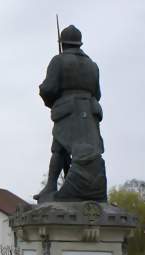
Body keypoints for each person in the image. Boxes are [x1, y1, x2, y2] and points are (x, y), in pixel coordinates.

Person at [34, 25, 107, 203]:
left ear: (63, 43)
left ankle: (51, 186)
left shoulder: (58, 61)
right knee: (83, 148)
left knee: (58, 148)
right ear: (79, 43)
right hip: (89, 112)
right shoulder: (93, 65)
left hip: (68, 111)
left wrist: (45, 93)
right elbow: (97, 93)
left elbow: (49, 88)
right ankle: (62, 185)